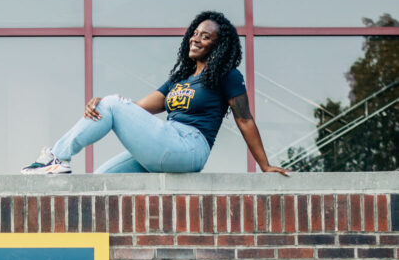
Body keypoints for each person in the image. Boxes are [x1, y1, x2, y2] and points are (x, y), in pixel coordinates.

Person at [21, 10, 288, 176]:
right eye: (194, 33)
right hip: (166, 143)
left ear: (218, 46)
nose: (196, 38)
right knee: (100, 180)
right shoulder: (180, 79)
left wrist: (264, 165)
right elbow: (134, 111)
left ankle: (58, 157)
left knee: (113, 103)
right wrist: (100, 107)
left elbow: (244, 119)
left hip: (190, 147)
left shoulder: (227, 75)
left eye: (205, 36)